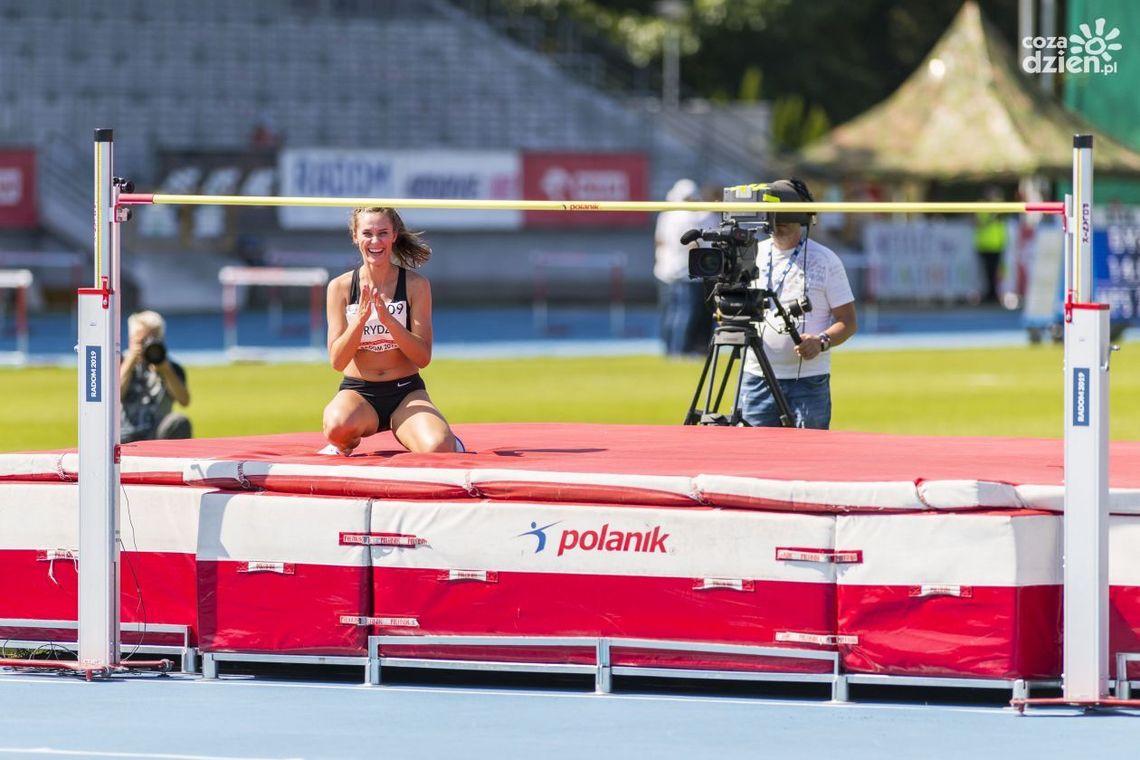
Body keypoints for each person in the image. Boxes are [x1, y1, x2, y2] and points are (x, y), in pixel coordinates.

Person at [320, 206, 463, 455]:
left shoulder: (416, 285)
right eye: (367, 233)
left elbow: (423, 357)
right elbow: (337, 361)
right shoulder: (340, 288)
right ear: (355, 236)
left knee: (438, 447)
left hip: (405, 391)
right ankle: (346, 444)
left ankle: (450, 440)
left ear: (394, 235)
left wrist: (389, 321)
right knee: (336, 428)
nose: (375, 241)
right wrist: (360, 320)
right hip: (359, 392)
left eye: (383, 233)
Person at [740, 179, 857, 429]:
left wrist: (821, 341)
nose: (777, 224)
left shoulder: (825, 260)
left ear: (803, 217)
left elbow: (848, 321)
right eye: (773, 217)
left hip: (807, 381)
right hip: (757, 377)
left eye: (785, 217)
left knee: (807, 459)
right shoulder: (750, 254)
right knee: (752, 458)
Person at [655, 178, 714, 357]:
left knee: (671, 313)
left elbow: (660, 241)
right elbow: (695, 245)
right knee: (685, 313)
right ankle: (680, 349)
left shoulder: (667, 215)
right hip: (685, 271)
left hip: (666, 271)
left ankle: (671, 348)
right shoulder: (693, 216)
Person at [120, 310, 192, 443]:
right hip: (124, 433)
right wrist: (130, 363)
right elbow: (112, 397)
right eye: (142, 341)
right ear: (131, 340)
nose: (148, 345)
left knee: (179, 421)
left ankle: (172, 462)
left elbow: (184, 400)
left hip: (157, 433)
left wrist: (165, 370)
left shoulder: (172, 367)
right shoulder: (118, 363)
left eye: (152, 340)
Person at [975, 186, 1007, 304]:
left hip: (997, 244)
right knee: (986, 272)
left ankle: (995, 294)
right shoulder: (981, 205)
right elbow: (977, 223)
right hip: (984, 244)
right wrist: (991, 218)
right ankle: (989, 294)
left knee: (996, 272)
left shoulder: (1000, 206)